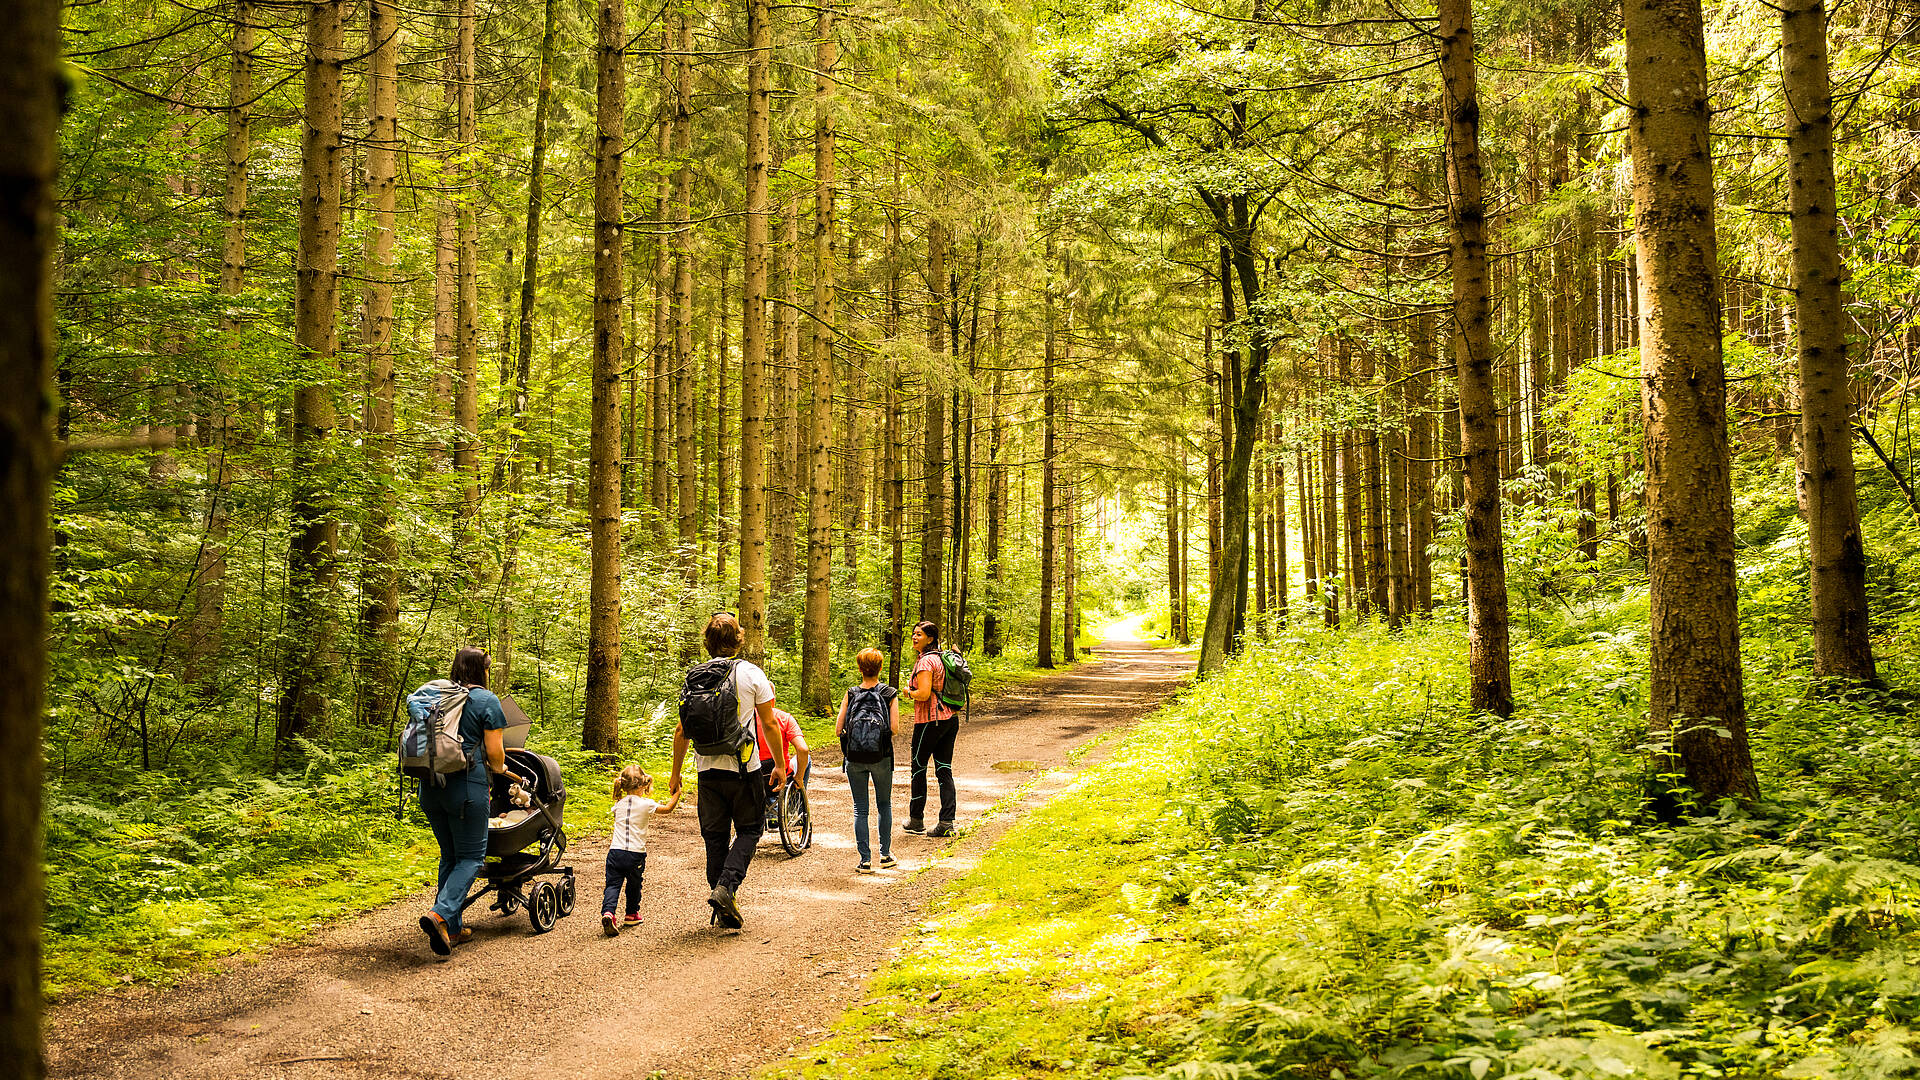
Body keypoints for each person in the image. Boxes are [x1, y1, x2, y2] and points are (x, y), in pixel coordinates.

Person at [669, 612, 787, 929]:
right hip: (743, 769)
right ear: (738, 640)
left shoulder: (695, 676)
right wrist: (778, 763)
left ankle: (721, 899)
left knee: (715, 839)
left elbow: (683, 730)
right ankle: (726, 889)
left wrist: (676, 773)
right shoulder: (751, 674)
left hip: (707, 771)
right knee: (750, 830)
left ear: (707, 643)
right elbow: (770, 723)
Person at [409, 647, 508, 957]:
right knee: (471, 857)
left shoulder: (437, 695)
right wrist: (501, 768)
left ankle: (452, 928)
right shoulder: (486, 701)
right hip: (466, 787)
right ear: (482, 671)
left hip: (430, 786)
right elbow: (494, 754)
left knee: (450, 854)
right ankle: (439, 915)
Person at [835, 647, 902, 872]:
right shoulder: (889, 693)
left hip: (854, 757)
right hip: (882, 756)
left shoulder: (851, 693)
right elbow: (894, 728)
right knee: (884, 804)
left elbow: (837, 730)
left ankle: (864, 860)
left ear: (859, 668)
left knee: (860, 808)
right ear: (880, 668)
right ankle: (885, 854)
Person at [602, 764, 681, 936]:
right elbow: (667, 809)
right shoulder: (646, 804)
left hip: (615, 852)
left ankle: (608, 913)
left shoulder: (619, 805)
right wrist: (677, 793)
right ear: (642, 785)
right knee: (633, 885)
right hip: (635, 854)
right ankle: (631, 914)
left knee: (613, 885)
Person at [905, 621, 959, 837]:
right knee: (944, 770)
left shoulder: (926, 662)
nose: (914, 637)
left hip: (930, 721)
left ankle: (916, 820)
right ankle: (947, 821)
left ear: (930, 638)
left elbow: (924, 694)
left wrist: (909, 692)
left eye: (919, 634)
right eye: (913, 634)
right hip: (949, 719)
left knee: (918, 768)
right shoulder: (941, 657)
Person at [758, 705, 811, 828]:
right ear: (772, 698)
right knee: (806, 759)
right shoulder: (783, 718)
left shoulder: (745, 718)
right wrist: (799, 777)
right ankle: (796, 809)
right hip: (780, 772)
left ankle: (772, 813)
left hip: (752, 774)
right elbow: (803, 749)